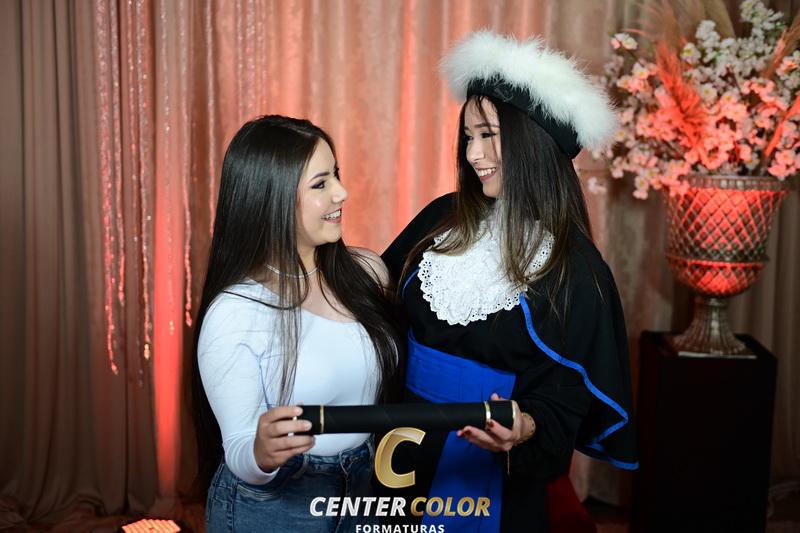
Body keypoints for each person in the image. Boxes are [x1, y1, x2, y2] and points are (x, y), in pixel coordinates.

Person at [380, 31, 638, 532]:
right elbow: (379, 302)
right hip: (398, 447)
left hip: (490, 475)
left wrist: (525, 426)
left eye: (489, 135)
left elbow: (564, 397)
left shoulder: (574, 269)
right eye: (468, 137)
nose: (474, 154)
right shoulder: (442, 218)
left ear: (532, 140)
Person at [190, 115, 402, 532]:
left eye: (336, 174)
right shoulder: (236, 311)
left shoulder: (367, 272)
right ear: (272, 198)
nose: (342, 192)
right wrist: (261, 452)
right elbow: (239, 449)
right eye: (320, 184)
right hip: (274, 507)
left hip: (366, 488)